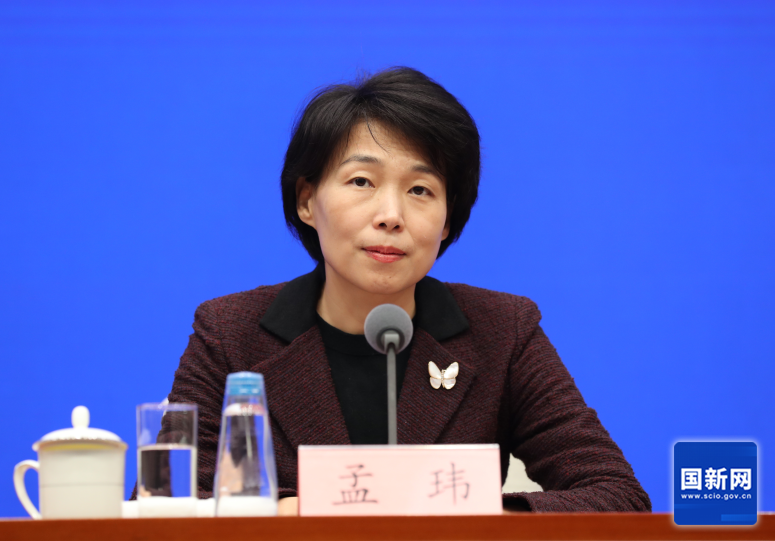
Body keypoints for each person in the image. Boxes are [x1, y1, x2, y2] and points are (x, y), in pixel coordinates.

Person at [166, 67, 651, 514]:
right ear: (307, 200)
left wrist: (475, 518)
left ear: (447, 220)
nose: (391, 215)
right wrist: (291, 514)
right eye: (362, 181)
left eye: (420, 190)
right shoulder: (231, 335)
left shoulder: (503, 332)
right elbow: (165, 503)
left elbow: (618, 496)